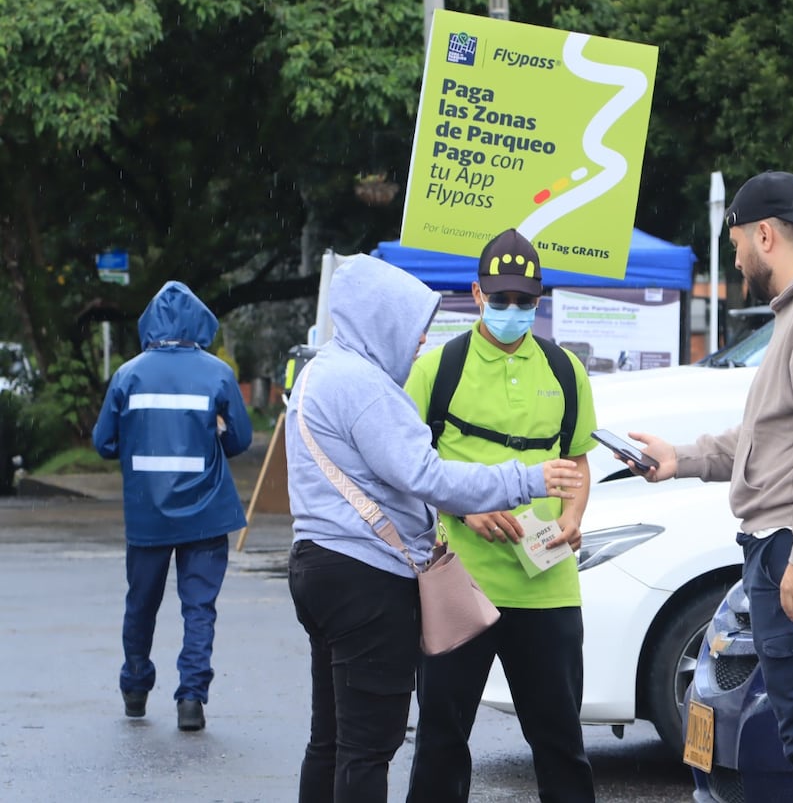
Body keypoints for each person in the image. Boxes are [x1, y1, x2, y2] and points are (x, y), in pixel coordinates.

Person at [628, 171, 793, 801]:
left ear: (765, 234)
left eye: (738, 245)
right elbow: (771, 439)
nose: (739, 261)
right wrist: (681, 458)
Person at [285, 253, 582, 803]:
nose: (420, 338)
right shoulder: (366, 386)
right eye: (411, 323)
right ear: (381, 319)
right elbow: (426, 475)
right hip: (366, 581)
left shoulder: (319, 374)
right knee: (368, 747)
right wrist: (526, 479)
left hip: (317, 564)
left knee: (330, 740)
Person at [404, 229, 597, 803]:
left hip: (547, 584)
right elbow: (404, 469)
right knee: (441, 744)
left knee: (561, 743)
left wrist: (573, 516)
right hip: (459, 584)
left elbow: (577, 458)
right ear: (476, 294)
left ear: (540, 300)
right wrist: (461, 508)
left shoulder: (565, 369)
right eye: (500, 299)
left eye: (525, 301)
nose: (513, 311)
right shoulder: (437, 369)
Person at [91, 280, 254, 733]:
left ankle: (135, 688)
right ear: (199, 322)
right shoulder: (217, 373)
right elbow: (240, 439)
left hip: (147, 514)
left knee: (141, 604)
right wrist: (215, 436)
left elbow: (104, 443)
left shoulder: (127, 375)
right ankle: (191, 699)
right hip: (206, 512)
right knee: (198, 608)